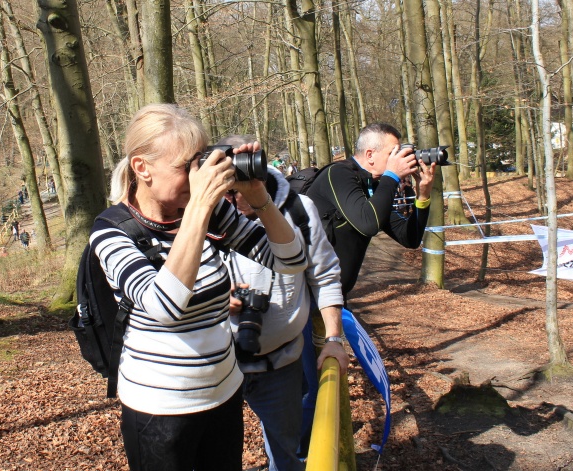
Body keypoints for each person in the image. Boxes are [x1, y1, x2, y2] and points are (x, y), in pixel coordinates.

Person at [90, 104, 307, 471]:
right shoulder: (111, 232)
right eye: (183, 168)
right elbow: (166, 306)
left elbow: (292, 259)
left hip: (223, 393)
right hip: (159, 409)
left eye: (199, 164)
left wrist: (258, 197)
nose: (196, 179)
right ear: (142, 168)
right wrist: (200, 207)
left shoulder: (211, 214)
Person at [219, 135, 349, 471]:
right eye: (234, 183)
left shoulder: (298, 210)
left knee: (286, 452)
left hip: (282, 363)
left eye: (251, 176)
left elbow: (325, 276)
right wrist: (218, 298)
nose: (244, 191)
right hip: (215, 365)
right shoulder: (201, 217)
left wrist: (333, 339)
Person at [305, 122, 436, 301]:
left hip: (334, 297)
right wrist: (392, 175)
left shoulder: (374, 186)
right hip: (308, 296)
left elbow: (410, 238)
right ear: (370, 155)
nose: (398, 159)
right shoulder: (338, 174)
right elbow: (368, 224)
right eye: (392, 154)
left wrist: (423, 195)